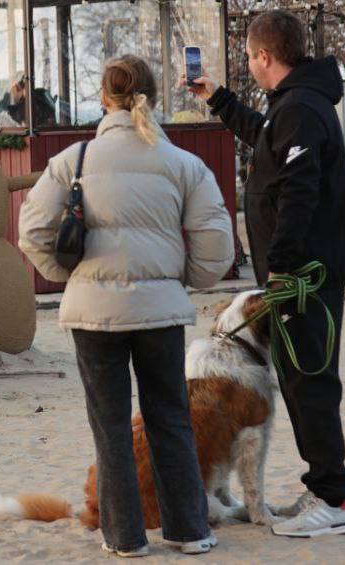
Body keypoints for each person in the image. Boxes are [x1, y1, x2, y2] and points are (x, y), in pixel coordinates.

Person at [17, 55, 232, 557]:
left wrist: (69, 276)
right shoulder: (182, 162)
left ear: (102, 99)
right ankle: (189, 530)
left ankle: (125, 538)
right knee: (171, 419)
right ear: (154, 99)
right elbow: (216, 243)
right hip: (160, 311)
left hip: (94, 314)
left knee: (110, 426)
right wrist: (184, 281)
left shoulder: (76, 159)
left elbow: (31, 231)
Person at [187, 10, 345, 538]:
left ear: (264, 56)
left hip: (304, 278)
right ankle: (324, 485)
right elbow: (266, 139)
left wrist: (281, 269)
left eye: (248, 57)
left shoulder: (303, 109)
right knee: (300, 379)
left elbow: (299, 189)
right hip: (295, 278)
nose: (249, 64)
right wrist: (218, 100)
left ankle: (334, 500)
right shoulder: (293, 107)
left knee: (311, 384)